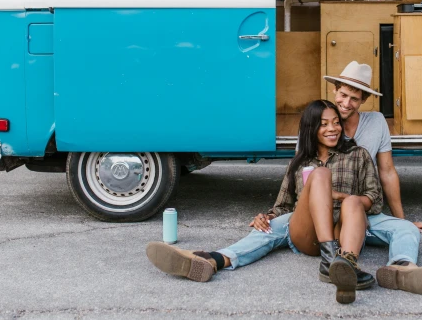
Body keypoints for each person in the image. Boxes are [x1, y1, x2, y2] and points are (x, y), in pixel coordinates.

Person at [147, 99, 383, 304]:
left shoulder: (358, 154)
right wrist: (267, 216)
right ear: (311, 128)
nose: (333, 129)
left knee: (353, 202)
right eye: (323, 124)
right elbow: (283, 207)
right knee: (313, 180)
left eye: (336, 122)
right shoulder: (299, 163)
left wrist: (340, 197)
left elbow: (374, 199)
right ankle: (329, 260)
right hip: (310, 233)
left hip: (345, 232)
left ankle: (345, 265)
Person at [323, 61, 422, 295]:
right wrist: (273, 213)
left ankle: (401, 269)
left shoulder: (376, 122)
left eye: (354, 99)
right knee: (271, 231)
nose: (346, 103)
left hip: (366, 211)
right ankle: (346, 265)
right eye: (343, 94)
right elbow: (302, 171)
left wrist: (402, 219)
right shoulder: (319, 119)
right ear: (334, 90)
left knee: (407, 231)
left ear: (364, 101)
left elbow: (387, 171)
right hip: (329, 213)